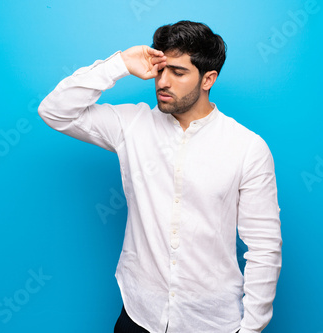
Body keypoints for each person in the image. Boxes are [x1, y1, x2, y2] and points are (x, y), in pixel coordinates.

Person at [38, 20, 282, 333]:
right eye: (161, 69)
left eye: (178, 72)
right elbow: (55, 111)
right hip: (140, 314)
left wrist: (251, 328)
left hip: (211, 321)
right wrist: (120, 64)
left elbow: (264, 246)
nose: (162, 81)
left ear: (208, 79)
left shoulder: (247, 147)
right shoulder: (131, 125)